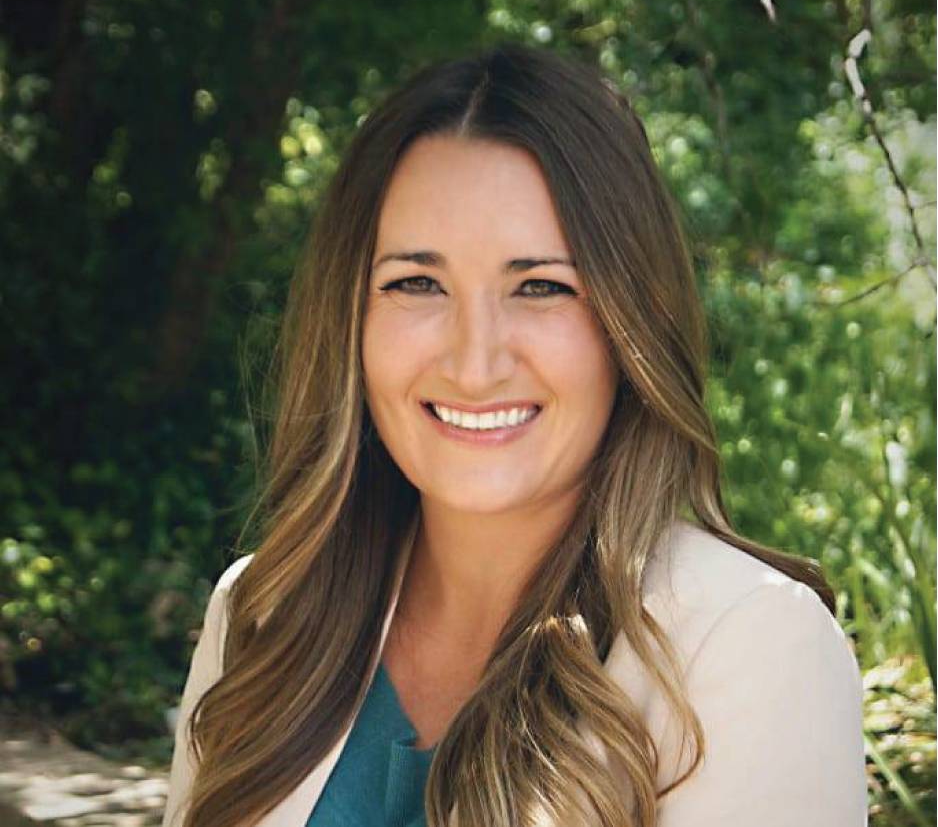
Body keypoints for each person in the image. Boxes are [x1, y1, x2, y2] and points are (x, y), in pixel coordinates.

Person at [161, 42, 867, 827]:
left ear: (632, 322)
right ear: (350, 318)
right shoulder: (263, 612)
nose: (474, 362)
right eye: (417, 283)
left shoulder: (753, 645)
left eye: (541, 286)